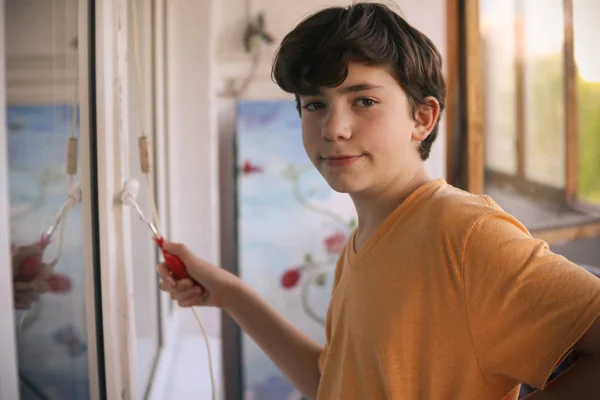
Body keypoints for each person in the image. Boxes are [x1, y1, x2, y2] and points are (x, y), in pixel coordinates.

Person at [157, 3, 600, 399]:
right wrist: (230, 294)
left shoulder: (464, 234)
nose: (334, 129)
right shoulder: (361, 243)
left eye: (363, 100)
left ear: (422, 118)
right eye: (314, 105)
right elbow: (330, 380)